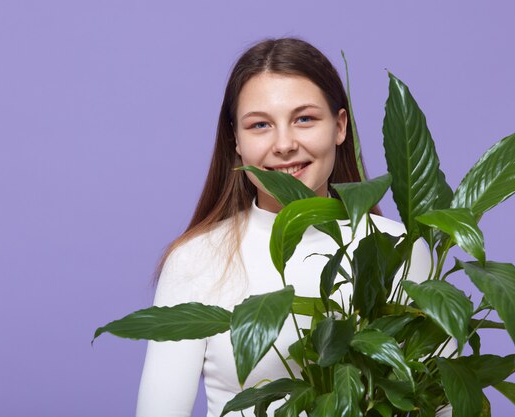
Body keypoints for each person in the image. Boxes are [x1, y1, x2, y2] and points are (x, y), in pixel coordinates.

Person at [136, 37, 446, 417]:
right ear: (236, 139)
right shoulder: (196, 260)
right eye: (260, 125)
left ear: (340, 126)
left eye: (304, 119)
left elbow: (438, 402)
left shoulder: (400, 248)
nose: (284, 144)